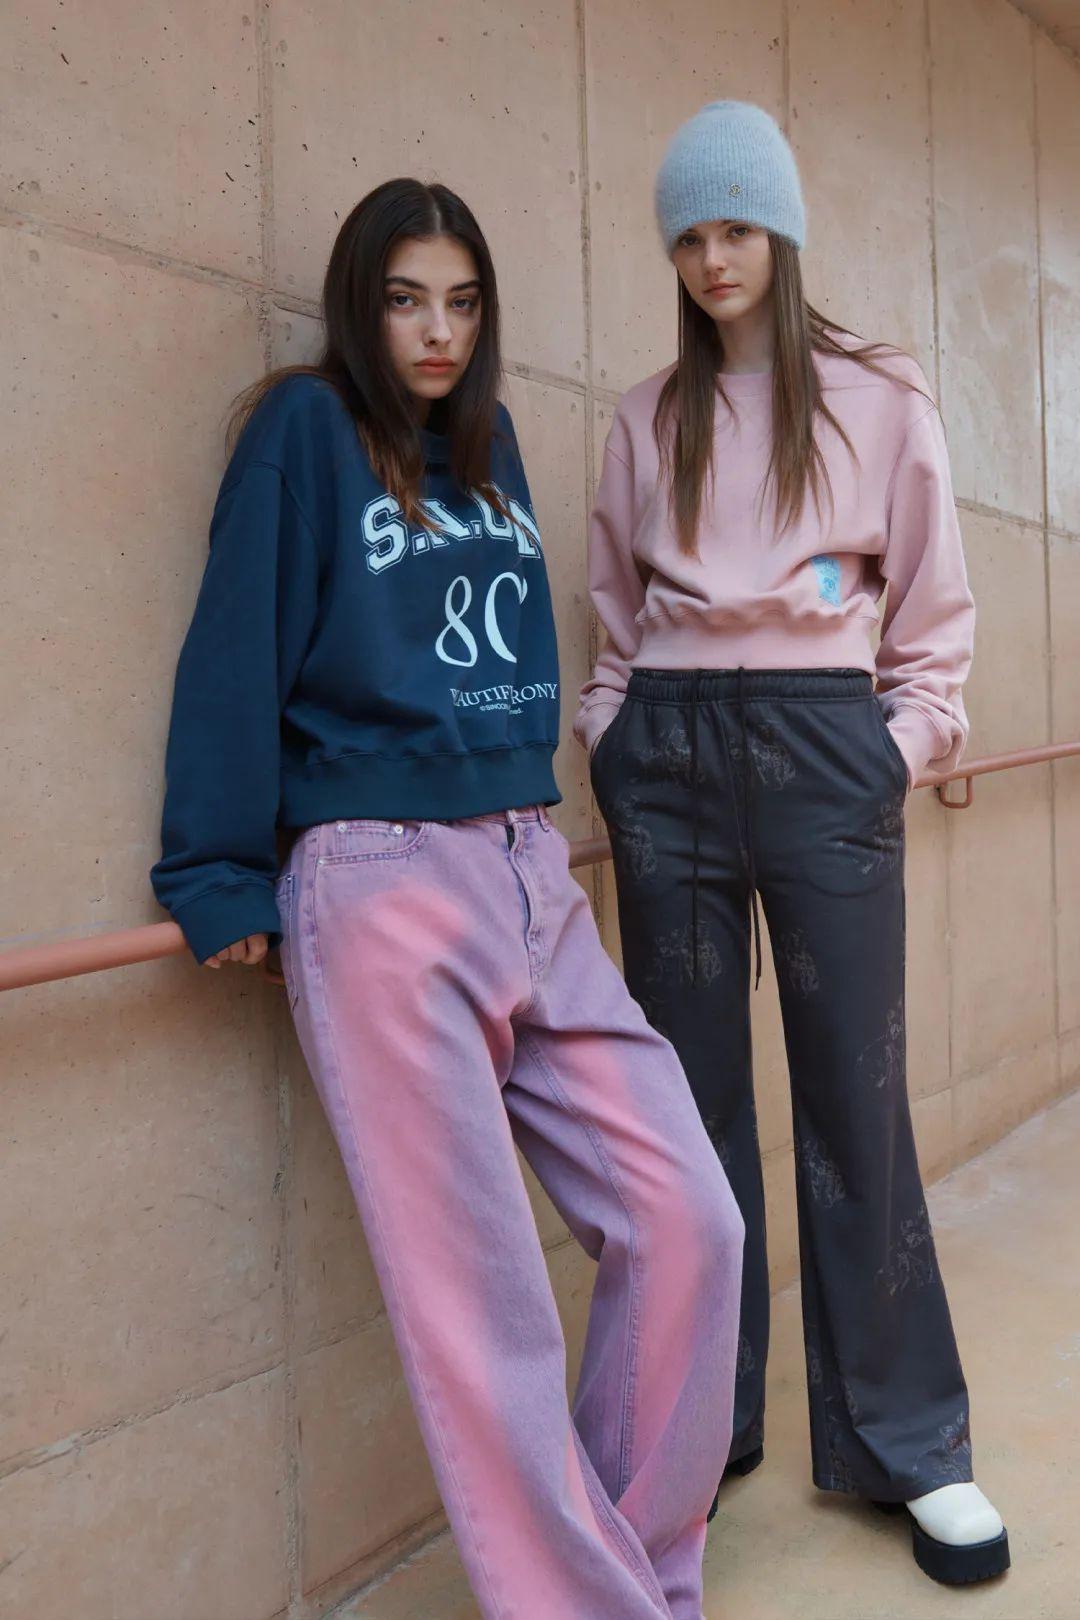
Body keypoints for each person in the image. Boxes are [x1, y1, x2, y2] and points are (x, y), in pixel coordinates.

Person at [151, 177, 743, 1620]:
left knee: (691, 1219)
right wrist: (216, 868)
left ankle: (635, 1576)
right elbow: (233, 645)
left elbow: (514, 646)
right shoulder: (303, 431)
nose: (436, 332)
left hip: (526, 864)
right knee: (487, 1313)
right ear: (360, 304)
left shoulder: (490, 444)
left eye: (462, 303)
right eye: (407, 300)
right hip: (379, 881)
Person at [576, 101, 1009, 1587]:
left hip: (827, 751)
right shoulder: (647, 416)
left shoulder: (880, 397)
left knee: (856, 1104)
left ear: (784, 232)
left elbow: (934, 618)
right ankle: (703, 1424)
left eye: (737, 229)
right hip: (668, 765)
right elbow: (614, 621)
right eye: (688, 237)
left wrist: (896, 749)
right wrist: (611, 737)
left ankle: (912, 1444)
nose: (712, 259)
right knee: (683, 1116)